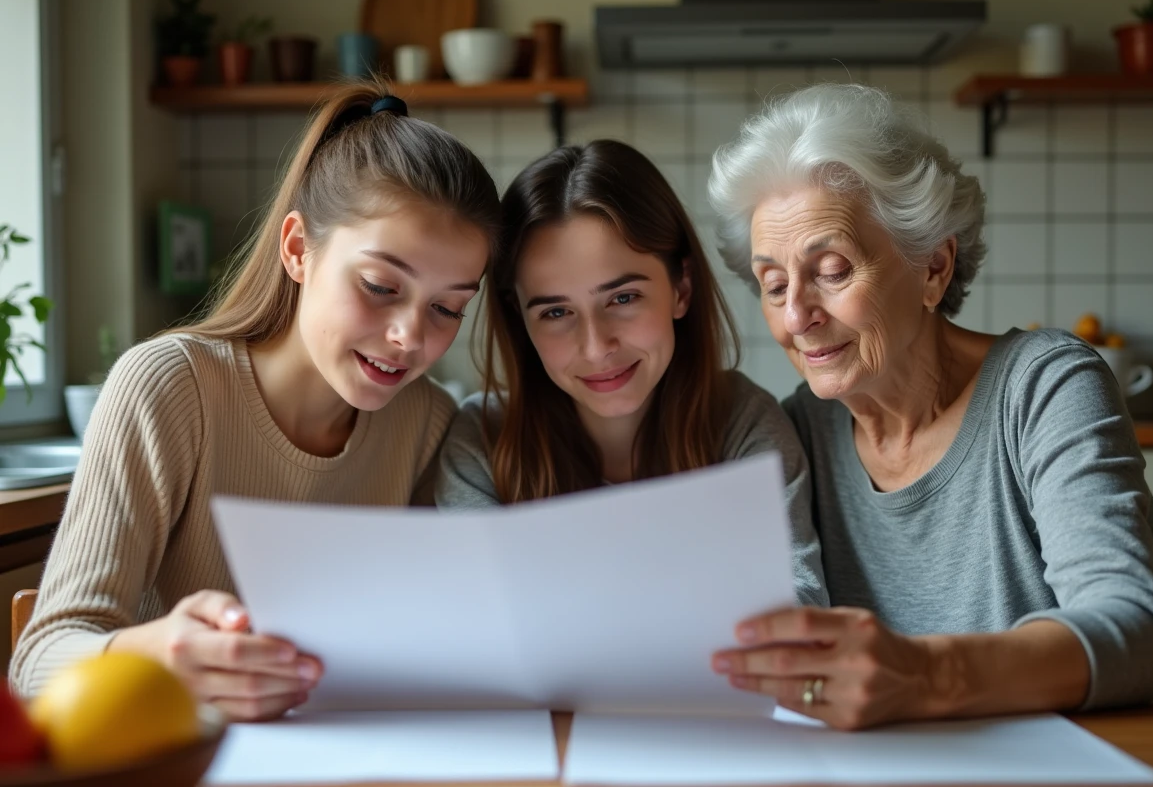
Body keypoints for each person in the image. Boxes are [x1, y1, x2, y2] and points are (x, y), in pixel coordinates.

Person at [10, 84, 502, 721]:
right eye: (381, 286)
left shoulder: (427, 419)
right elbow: (38, 659)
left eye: (447, 308)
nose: (411, 337)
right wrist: (161, 658)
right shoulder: (167, 388)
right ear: (298, 249)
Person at [705, 83, 1153, 729]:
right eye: (774, 284)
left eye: (833, 269)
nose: (796, 317)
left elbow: (1139, 635)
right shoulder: (796, 436)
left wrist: (926, 674)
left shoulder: (1044, 387)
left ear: (933, 267)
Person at [435, 140, 826, 607]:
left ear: (681, 287)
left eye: (622, 299)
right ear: (519, 318)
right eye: (556, 312)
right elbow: (475, 630)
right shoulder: (480, 444)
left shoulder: (743, 425)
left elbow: (797, 611)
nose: (597, 346)